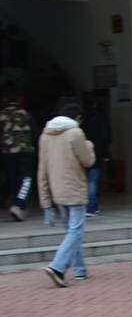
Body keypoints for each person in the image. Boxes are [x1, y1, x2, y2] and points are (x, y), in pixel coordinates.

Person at [38, 102, 95, 286]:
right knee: (75, 231)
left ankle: (79, 270)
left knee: (71, 231)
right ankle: (57, 267)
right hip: (75, 189)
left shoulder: (46, 134)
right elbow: (88, 161)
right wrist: (89, 146)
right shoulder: (75, 133)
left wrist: (45, 201)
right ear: (78, 118)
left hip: (57, 191)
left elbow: (42, 169)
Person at [1, 83, 35, 221]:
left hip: (6, 152)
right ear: (20, 99)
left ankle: (18, 206)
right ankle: (18, 204)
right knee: (26, 179)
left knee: (12, 179)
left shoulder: (1, 115)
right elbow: (35, 133)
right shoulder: (26, 114)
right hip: (25, 151)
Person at [80, 94, 110, 216]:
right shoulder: (99, 118)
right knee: (92, 180)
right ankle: (91, 207)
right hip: (96, 152)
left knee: (86, 180)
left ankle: (93, 205)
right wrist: (106, 154)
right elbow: (104, 137)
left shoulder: (81, 119)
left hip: (82, 153)